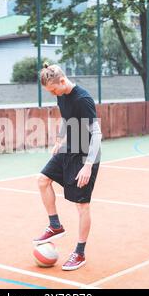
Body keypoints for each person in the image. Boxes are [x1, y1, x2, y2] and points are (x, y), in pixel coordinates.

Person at [33, 63, 102, 271]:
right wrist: (59, 140)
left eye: (53, 90)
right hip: (68, 149)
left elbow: (96, 133)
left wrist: (88, 165)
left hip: (84, 156)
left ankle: (79, 253)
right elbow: (66, 118)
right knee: (42, 180)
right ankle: (55, 225)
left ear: (62, 81)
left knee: (82, 206)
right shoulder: (61, 94)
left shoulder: (83, 99)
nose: (53, 94)